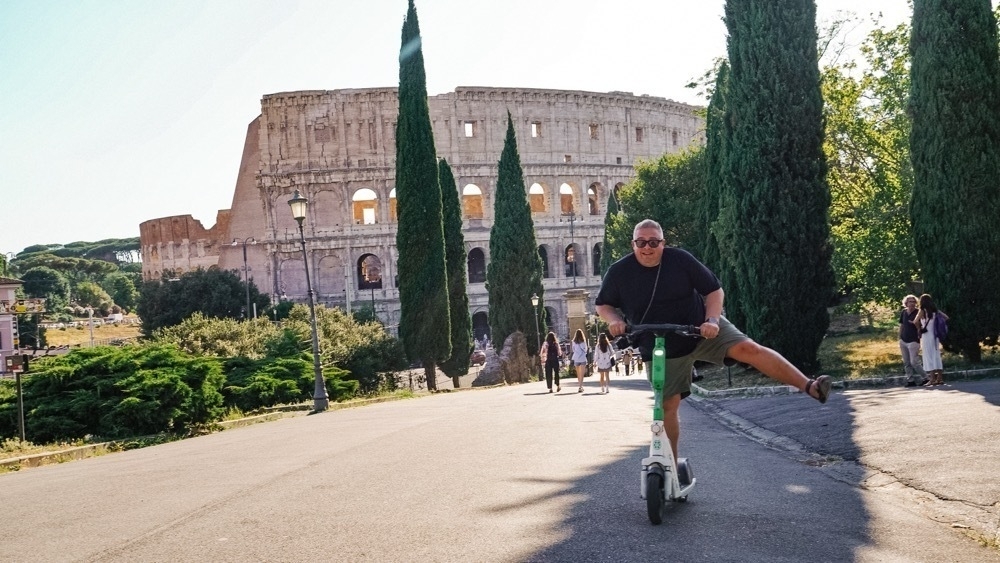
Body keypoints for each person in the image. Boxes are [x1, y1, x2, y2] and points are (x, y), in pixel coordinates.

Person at [596, 219, 832, 463]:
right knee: (667, 406)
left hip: (699, 329)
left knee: (748, 348)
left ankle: (810, 387)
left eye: (654, 242)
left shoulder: (681, 260)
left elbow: (714, 290)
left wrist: (712, 320)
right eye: (641, 242)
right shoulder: (619, 271)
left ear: (663, 243)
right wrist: (614, 320)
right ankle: (670, 468)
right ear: (633, 244)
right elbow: (603, 304)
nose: (648, 247)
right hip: (658, 343)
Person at [914, 293, 948, 386]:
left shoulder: (922, 311)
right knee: (936, 355)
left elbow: (915, 321)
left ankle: (932, 379)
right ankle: (940, 378)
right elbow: (946, 317)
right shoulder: (935, 311)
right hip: (935, 335)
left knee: (928, 356)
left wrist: (919, 328)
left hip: (926, 335)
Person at [898, 294, 928, 387]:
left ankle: (926, 378)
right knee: (906, 362)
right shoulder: (904, 312)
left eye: (914, 301)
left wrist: (915, 324)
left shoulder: (918, 312)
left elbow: (921, 326)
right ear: (906, 303)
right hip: (903, 339)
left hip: (913, 340)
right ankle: (910, 380)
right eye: (910, 301)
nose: (912, 303)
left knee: (914, 361)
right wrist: (899, 336)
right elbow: (902, 325)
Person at [570, 329, 589, 393]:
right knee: (582, 373)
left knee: (578, 373)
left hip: (576, 358)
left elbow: (573, 350)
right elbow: (585, 349)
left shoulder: (573, 342)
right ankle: (581, 386)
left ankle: (579, 386)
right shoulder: (583, 341)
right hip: (583, 358)